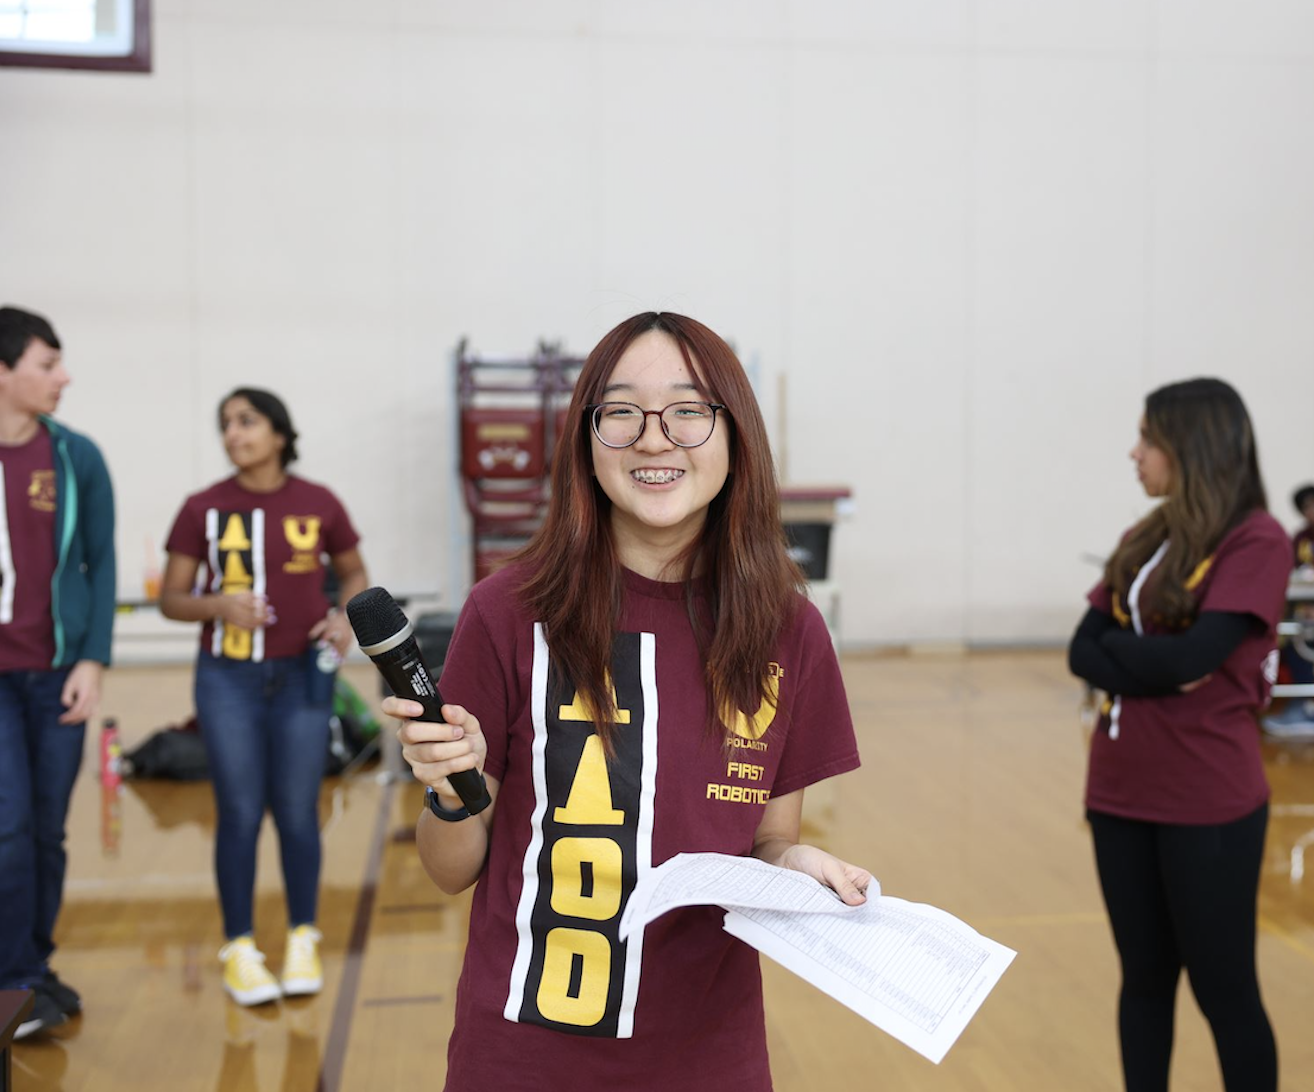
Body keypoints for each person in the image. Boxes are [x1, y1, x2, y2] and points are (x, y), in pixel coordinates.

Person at [384, 312, 869, 1090]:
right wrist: (449, 794)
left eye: (688, 409)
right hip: (522, 1054)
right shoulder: (507, 612)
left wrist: (795, 865)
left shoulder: (787, 629)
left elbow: (768, 841)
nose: (654, 438)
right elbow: (450, 870)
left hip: (709, 1056)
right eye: (621, 413)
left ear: (734, 434)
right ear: (586, 440)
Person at [1068, 378, 1288, 1092]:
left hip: (1207, 802)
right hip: (1118, 794)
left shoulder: (1257, 539)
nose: (1135, 453)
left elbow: (1193, 659)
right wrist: (1158, 663)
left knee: (1225, 990)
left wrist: (1134, 658)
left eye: (1149, 439)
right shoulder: (1146, 536)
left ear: (1190, 447)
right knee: (1144, 982)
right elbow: (1082, 649)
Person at [160, 388, 367, 1006]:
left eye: (246, 422)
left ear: (279, 433)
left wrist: (343, 618)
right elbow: (172, 598)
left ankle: (303, 935)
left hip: (305, 674)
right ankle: (240, 948)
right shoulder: (202, 508)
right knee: (241, 813)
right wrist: (218, 604)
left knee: (299, 812)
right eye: (225, 424)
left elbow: (354, 571)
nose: (233, 434)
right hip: (229, 680)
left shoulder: (319, 502)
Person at [0, 305, 115, 1040]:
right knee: (8, 829)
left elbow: (99, 566)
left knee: (48, 834)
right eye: (47, 364)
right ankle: (12, 980)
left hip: (57, 674)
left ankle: (33, 965)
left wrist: (93, 658)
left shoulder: (75, 457)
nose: (63, 377)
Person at [1260, 482, 1314, 737]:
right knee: (1289, 638)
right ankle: (1303, 705)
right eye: (1307, 506)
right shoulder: (1300, 539)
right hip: (1303, 614)